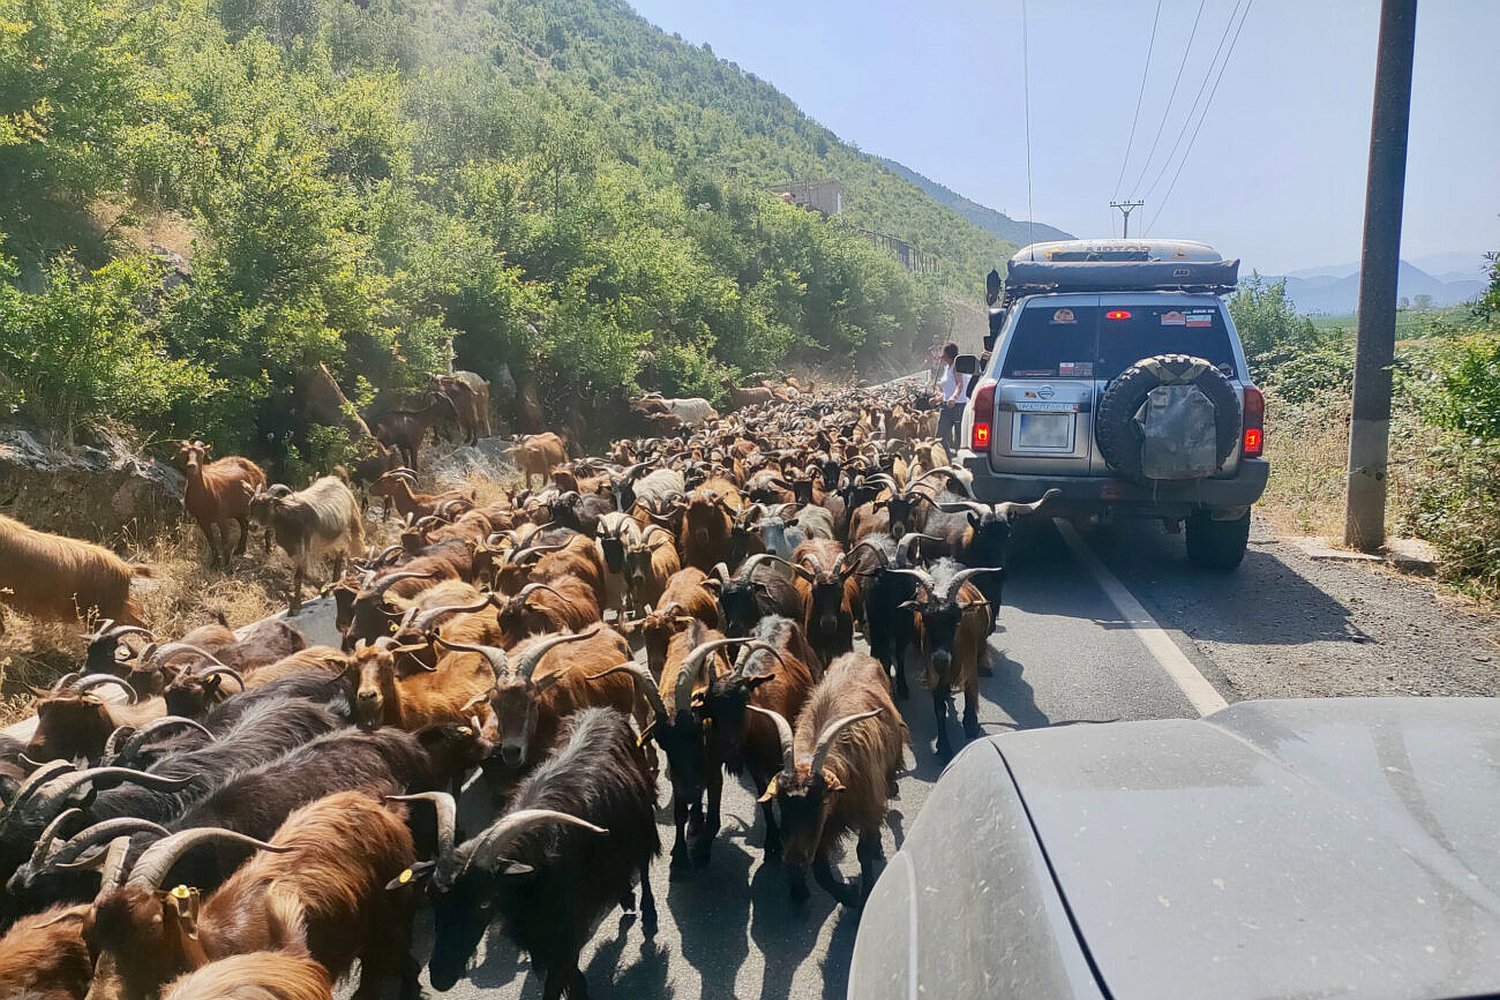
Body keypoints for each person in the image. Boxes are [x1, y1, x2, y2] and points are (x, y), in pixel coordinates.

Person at [935, 342, 969, 452]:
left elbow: (960, 384)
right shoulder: (947, 368)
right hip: (946, 406)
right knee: (940, 436)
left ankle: (961, 461)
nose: (942, 357)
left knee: (959, 437)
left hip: (958, 405)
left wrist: (954, 398)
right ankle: (944, 459)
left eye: (944, 354)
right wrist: (938, 398)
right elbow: (948, 389)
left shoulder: (956, 367)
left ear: (948, 355)